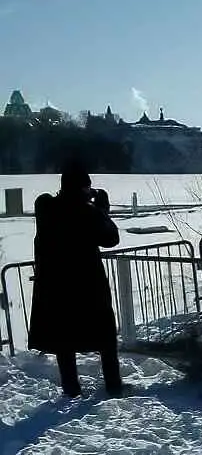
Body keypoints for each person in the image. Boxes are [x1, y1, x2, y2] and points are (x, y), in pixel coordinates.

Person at [28, 161, 124, 398]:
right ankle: (113, 384)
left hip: (56, 287)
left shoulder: (47, 208)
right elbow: (111, 238)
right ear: (82, 189)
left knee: (64, 339)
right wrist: (102, 210)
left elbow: (49, 203)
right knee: (105, 336)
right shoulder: (86, 213)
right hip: (87, 286)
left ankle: (71, 388)